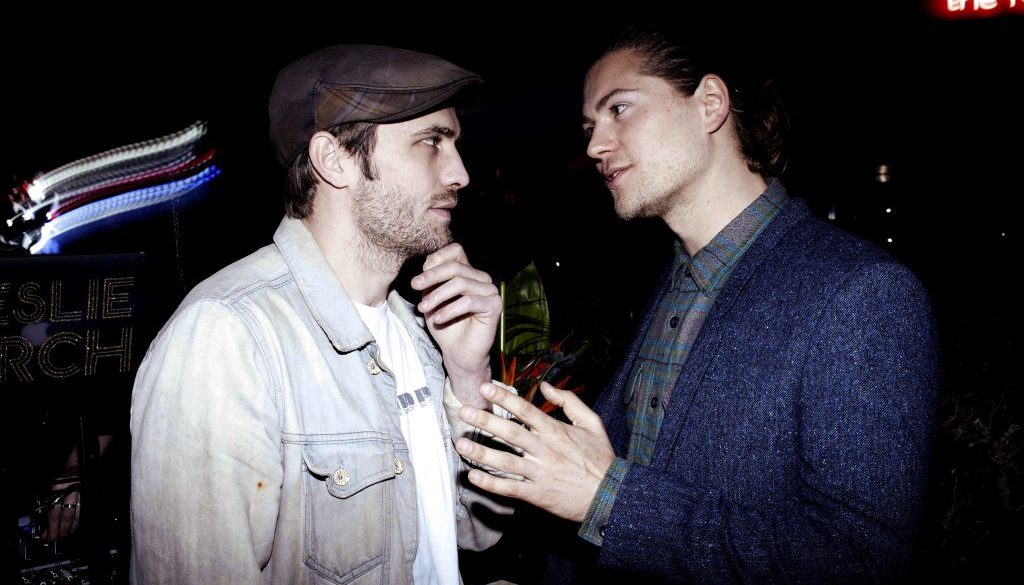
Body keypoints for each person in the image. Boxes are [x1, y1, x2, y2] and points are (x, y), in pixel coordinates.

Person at [453, 25, 940, 583]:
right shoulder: (674, 282)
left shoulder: (863, 293)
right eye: (589, 127)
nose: (594, 146)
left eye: (619, 109)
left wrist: (607, 500)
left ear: (710, 103)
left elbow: (859, 561)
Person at [129, 44, 513, 584]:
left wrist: (469, 376)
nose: (460, 173)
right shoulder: (228, 335)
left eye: (454, 144)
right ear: (334, 160)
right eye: (431, 141)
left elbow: (478, 530)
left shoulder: (420, 332)